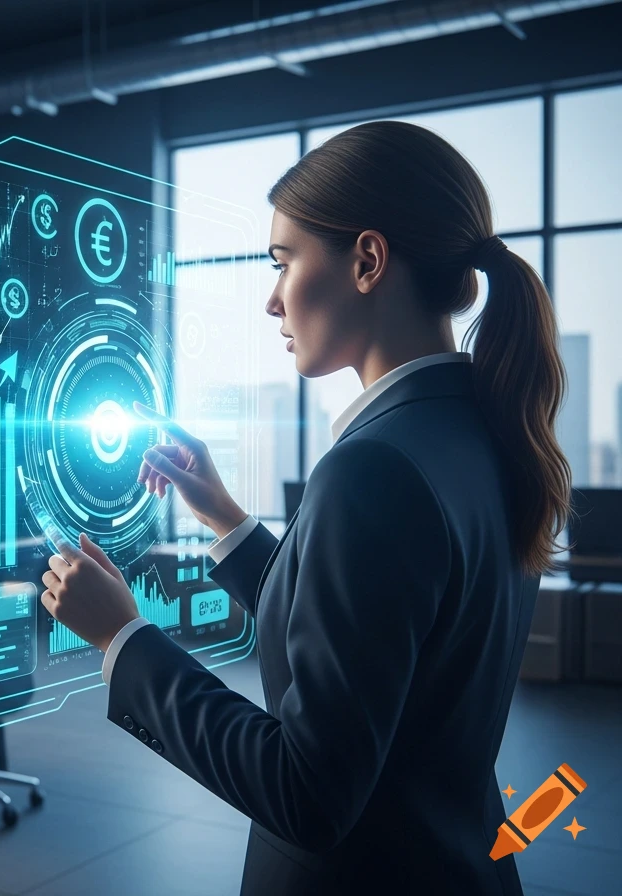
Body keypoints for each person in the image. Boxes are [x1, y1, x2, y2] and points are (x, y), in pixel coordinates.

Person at [39, 121, 570, 896]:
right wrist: (227, 518)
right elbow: (380, 639)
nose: (271, 300)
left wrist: (124, 637)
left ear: (367, 261)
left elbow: (308, 792)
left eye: (284, 262)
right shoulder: (478, 432)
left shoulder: (372, 470)